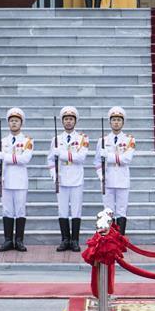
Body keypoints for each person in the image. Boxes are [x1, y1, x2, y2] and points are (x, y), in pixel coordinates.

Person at [48, 106, 89, 252]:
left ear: (75, 121)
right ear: (62, 122)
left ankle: (75, 240)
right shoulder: (56, 139)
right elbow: (50, 160)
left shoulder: (83, 138)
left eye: (71, 119)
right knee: (63, 210)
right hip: (61, 178)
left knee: (76, 210)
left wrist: (63, 154)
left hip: (76, 177)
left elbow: (81, 157)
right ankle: (65, 239)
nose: (69, 122)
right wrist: (54, 175)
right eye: (66, 119)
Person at [0, 107, 33, 252]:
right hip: (6, 180)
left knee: (20, 211)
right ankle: (8, 240)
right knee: (7, 211)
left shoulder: (27, 140)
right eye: (11, 121)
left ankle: (19, 241)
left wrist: (6, 157)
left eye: (16, 121)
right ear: (8, 123)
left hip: (20, 181)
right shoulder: (1, 141)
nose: (14, 123)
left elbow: (25, 159)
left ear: (21, 123)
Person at [95, 107, 136, 236]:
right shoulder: (102, 141)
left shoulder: (129, 140)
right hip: (107, 178)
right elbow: (96, 162)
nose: (116, 122)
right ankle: (109, 239)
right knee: (108, 210)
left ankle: (120, 239)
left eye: (119, 120)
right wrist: (101, 175)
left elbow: (126, 159)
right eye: (114, 120)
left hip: (122, 179)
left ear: (123, 122)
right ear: (110, 122)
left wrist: (108, 156)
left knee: (122, 210)